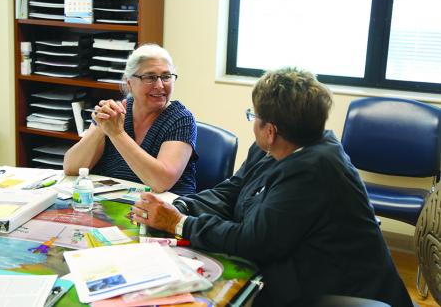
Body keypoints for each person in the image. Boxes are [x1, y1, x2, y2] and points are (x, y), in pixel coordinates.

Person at [131, 67, 414, 307]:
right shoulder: (276, 146)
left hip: (336, 291)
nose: (252, 122)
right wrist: (180, 206)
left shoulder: (314, 169)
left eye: (253, 116)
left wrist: (180, 223)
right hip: (293, 271)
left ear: (271, 130)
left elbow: (254, 242)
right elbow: (233, 190)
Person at [63, 44, 197, 195]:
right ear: (129, 83)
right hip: (115, 204)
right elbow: (71, 168)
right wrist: (101, 128)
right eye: (150, 77)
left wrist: (117, 134)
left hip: (167, 210)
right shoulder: (115, 112)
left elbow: (161, 182)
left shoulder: (181, 119)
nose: (160, 86)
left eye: (166, 77)